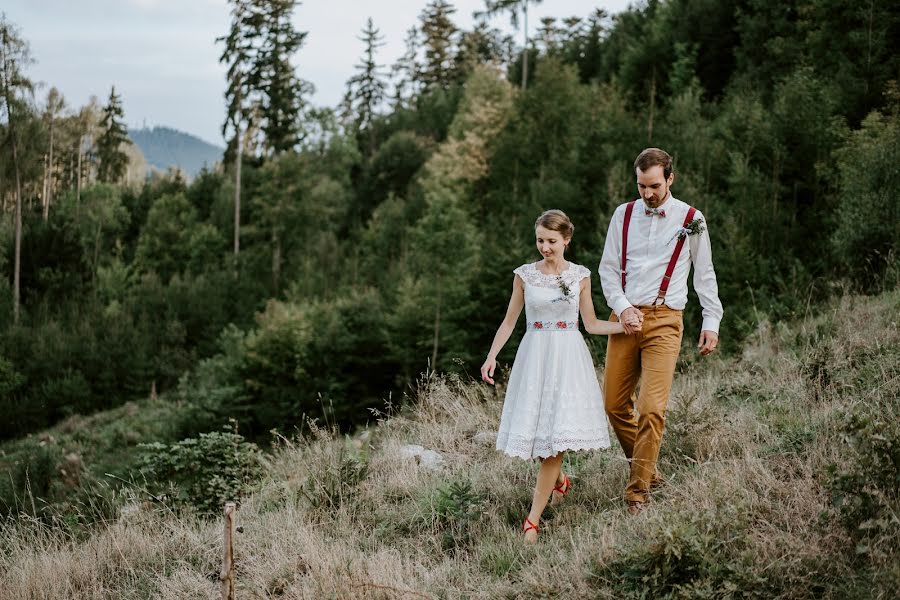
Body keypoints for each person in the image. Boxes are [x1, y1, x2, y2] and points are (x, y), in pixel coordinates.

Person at [481, 209, 641, 543]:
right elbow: (510, 321)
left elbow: (592, 324)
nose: (545, 247)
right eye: (540, 240)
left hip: (567, 359)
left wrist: (624, 326)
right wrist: (492, 355)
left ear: (566, 239)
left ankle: (532, 521)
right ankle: (560, 481)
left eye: (552, 241)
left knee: (553, 444)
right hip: (534, 358)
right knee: (539, 442)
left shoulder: (580, 276)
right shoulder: (525, 276)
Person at [599, 147, 724, 516]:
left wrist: (711, 321)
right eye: (641, 186)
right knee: (614, 404)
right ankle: (649, 470)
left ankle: (637, 493)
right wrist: (622, 308)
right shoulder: (622, 215)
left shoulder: (691, 218)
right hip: (623, 318)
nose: (648, 193)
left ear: (670, 178)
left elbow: (704, 273)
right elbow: (608, 270)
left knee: (652, 408)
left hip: (666, 320)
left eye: (654, 185)